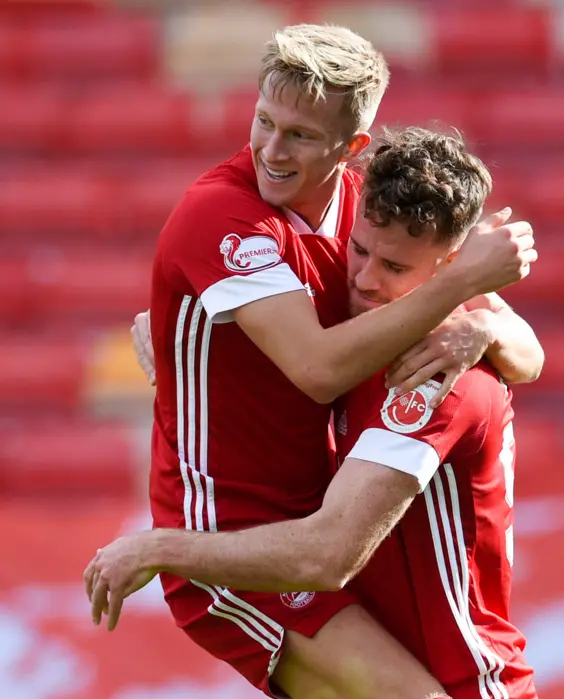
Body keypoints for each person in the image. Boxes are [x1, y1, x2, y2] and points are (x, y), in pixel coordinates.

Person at [86, 25, 541, 699]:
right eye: (264, 121)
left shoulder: (380, 238)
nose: (271, 148)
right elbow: (319, 369)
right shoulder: (226, 216)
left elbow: (527, 352)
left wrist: (478, 327)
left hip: (305, 538)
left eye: (299, 134)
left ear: (350, 148)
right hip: (232, 543)